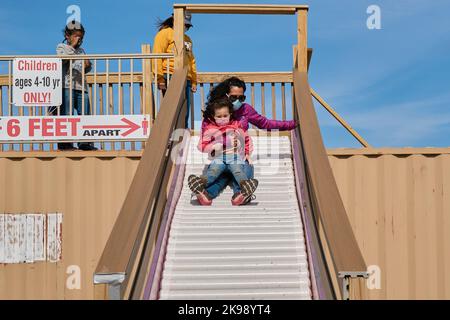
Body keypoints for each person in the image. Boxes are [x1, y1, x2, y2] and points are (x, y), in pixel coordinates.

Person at [202, 76, 298, 201]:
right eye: (233, 97)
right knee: (220, 177)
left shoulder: (245, 109)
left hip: (239, 157)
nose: (237, 101)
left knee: (245, 169)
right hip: (220, 157)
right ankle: (205, 194)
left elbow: (265, 123)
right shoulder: (215, 113)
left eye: (241, 98)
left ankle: (241, 194)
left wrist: (292, 124)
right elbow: (206, 138)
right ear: (225, 95)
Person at [188, 97, 258, 206]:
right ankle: (201, 186)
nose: (222, 119)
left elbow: (247, 139)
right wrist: (214, 147)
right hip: (219, 158)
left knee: (238, 170)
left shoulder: (236, 125)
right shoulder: (211, 129)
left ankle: (243, 190)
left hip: (235, 157)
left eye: (225, 116)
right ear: (213, 117)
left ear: (230, 114)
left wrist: (246, 152)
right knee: (214, 172)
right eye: (219, 117)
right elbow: (201, 146)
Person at [53, 20, 97, 151]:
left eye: (81, 37)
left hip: (80, 87)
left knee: (85, 114)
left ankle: (85, 142)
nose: (79, 40)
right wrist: (71, 47)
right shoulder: (62, 47)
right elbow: (63, 60)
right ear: (68, 35)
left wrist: (88, 66)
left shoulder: (82, 51)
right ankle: (65, 143)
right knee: (67, 113)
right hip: (66, 86)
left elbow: (85, 68)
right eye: (77, 36)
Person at [153, 13, 197, 128]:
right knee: (171, 108)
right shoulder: (164, 34)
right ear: (174, 21)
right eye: (183, 24)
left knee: (184, 109)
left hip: (185, 77)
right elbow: (157, 55)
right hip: (170, 74)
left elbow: (191, 60)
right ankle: (169, 133)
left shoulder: (188, 39)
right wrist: (160, 77)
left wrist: (193, 80)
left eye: (187, 26)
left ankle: (182, 133)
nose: (185, 28)